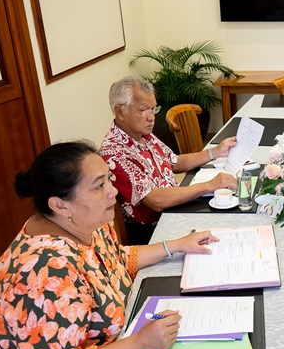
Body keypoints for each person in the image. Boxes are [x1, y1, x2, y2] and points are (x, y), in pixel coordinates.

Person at [0, 141, 220, 349]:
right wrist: (139, 344)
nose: (114, 191)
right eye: (98, 185)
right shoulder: (43, 274)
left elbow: (113, 260)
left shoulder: (85, 224)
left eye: (109, 178)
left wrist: (176, 245)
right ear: (60, 205)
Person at [100, 76, 238, 245]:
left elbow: (175, 162)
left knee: (232, 218)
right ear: (120, 111)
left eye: (153, 109)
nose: (151, 117)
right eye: (143, 110)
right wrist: (210, 185)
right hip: (154, 231)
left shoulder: (144, 135)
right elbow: (156, 200)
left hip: (176, 210)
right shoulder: (114, 153)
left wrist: (215, 152)